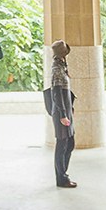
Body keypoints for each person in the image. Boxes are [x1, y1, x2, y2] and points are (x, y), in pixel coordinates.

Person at [46, 40, 77, 188]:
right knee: (63, 145)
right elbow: (57, 93)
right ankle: (62, 178)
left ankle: (63, 175)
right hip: (60, 113)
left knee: (69, 144)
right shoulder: (57, 69)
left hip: (66, 111)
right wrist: (63, 114)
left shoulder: (62, 66)